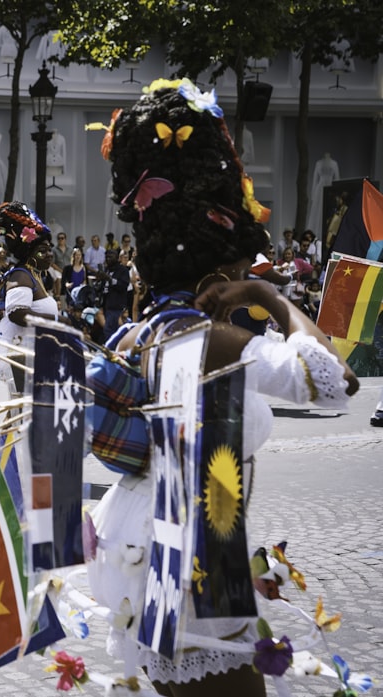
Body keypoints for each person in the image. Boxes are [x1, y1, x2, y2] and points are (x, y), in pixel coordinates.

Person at [86, 77, 358, 695]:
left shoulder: (135, 334)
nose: (246, 279)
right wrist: (268, 297)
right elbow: (337, 382)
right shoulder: (212, 341)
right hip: (204, 559)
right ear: (218, 274)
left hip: (144, 548)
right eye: (239, 270)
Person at [0, 200, 60, 394]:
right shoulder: (21, 275)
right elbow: (17, 313)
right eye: (42, 250)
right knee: (21, 412)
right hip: (20, 356)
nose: (49, 254)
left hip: (33, 355)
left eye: (49, 249)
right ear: (29, 252)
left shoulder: (35, 275)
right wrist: (57, 320)